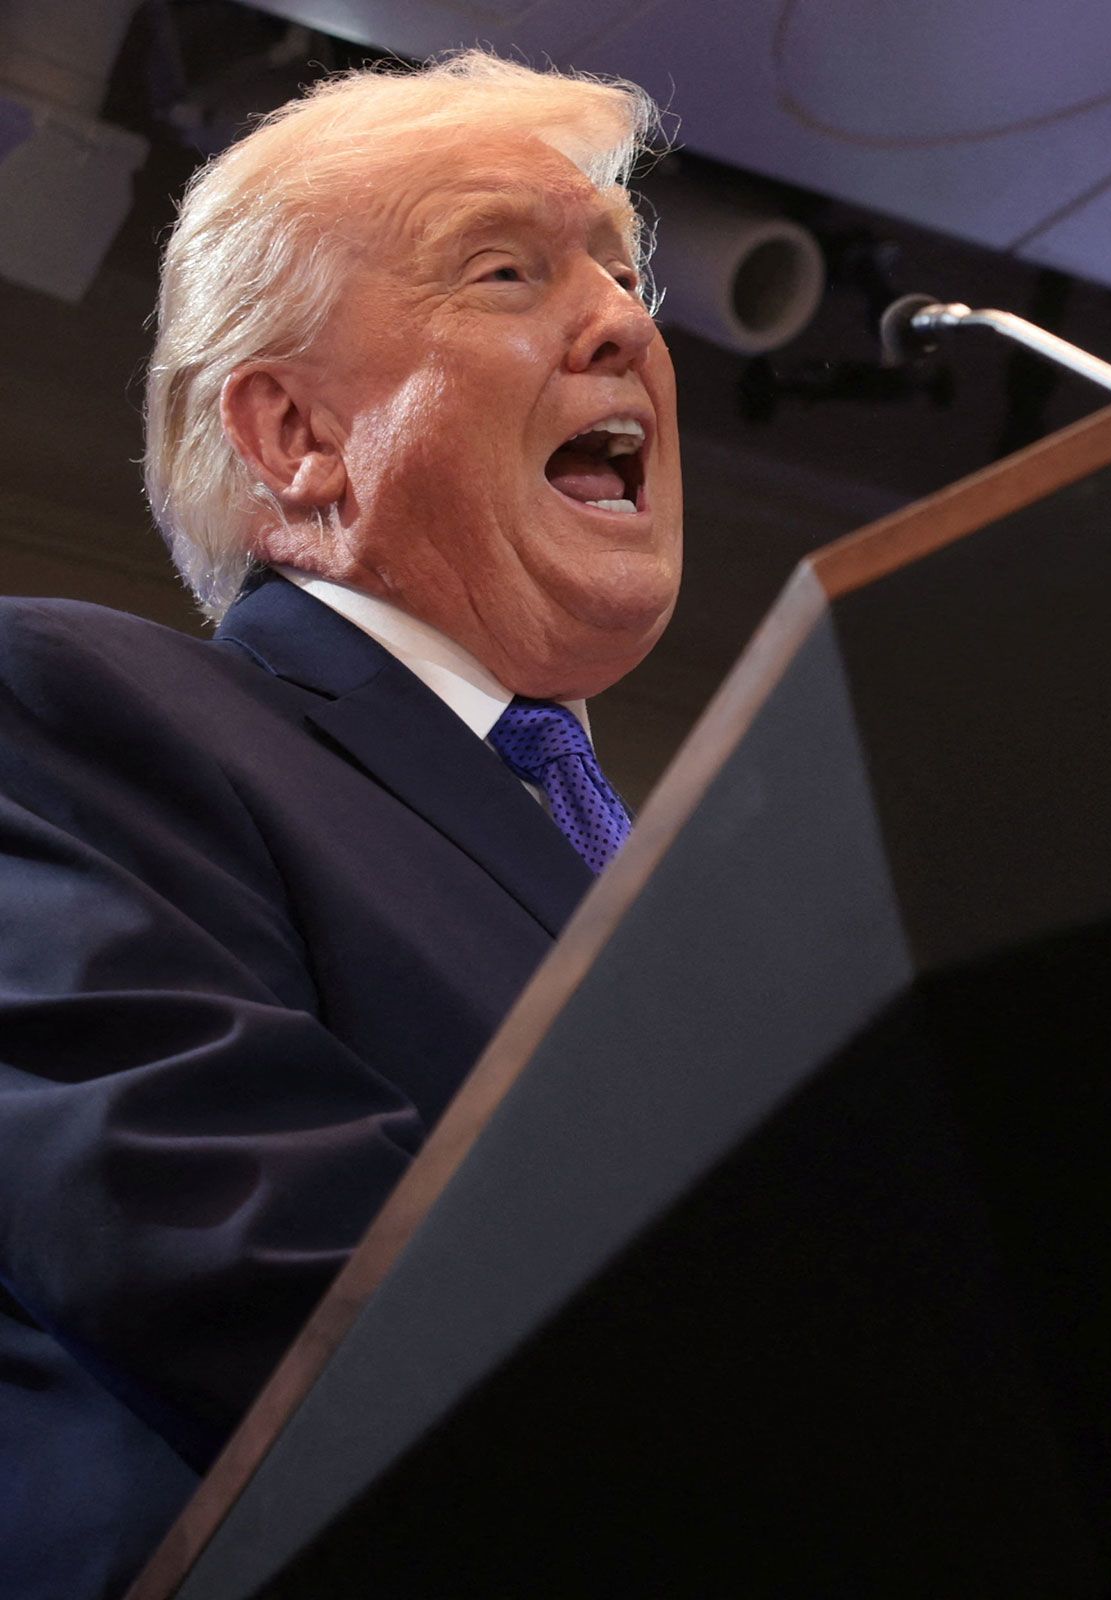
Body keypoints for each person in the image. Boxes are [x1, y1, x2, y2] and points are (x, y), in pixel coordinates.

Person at [0, 51, 680, 1597]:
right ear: (295, 434)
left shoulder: (681, 868)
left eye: (624, 273)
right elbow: (239, 1248)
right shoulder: (65, 714)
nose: (627, 325)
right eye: (508, 272)